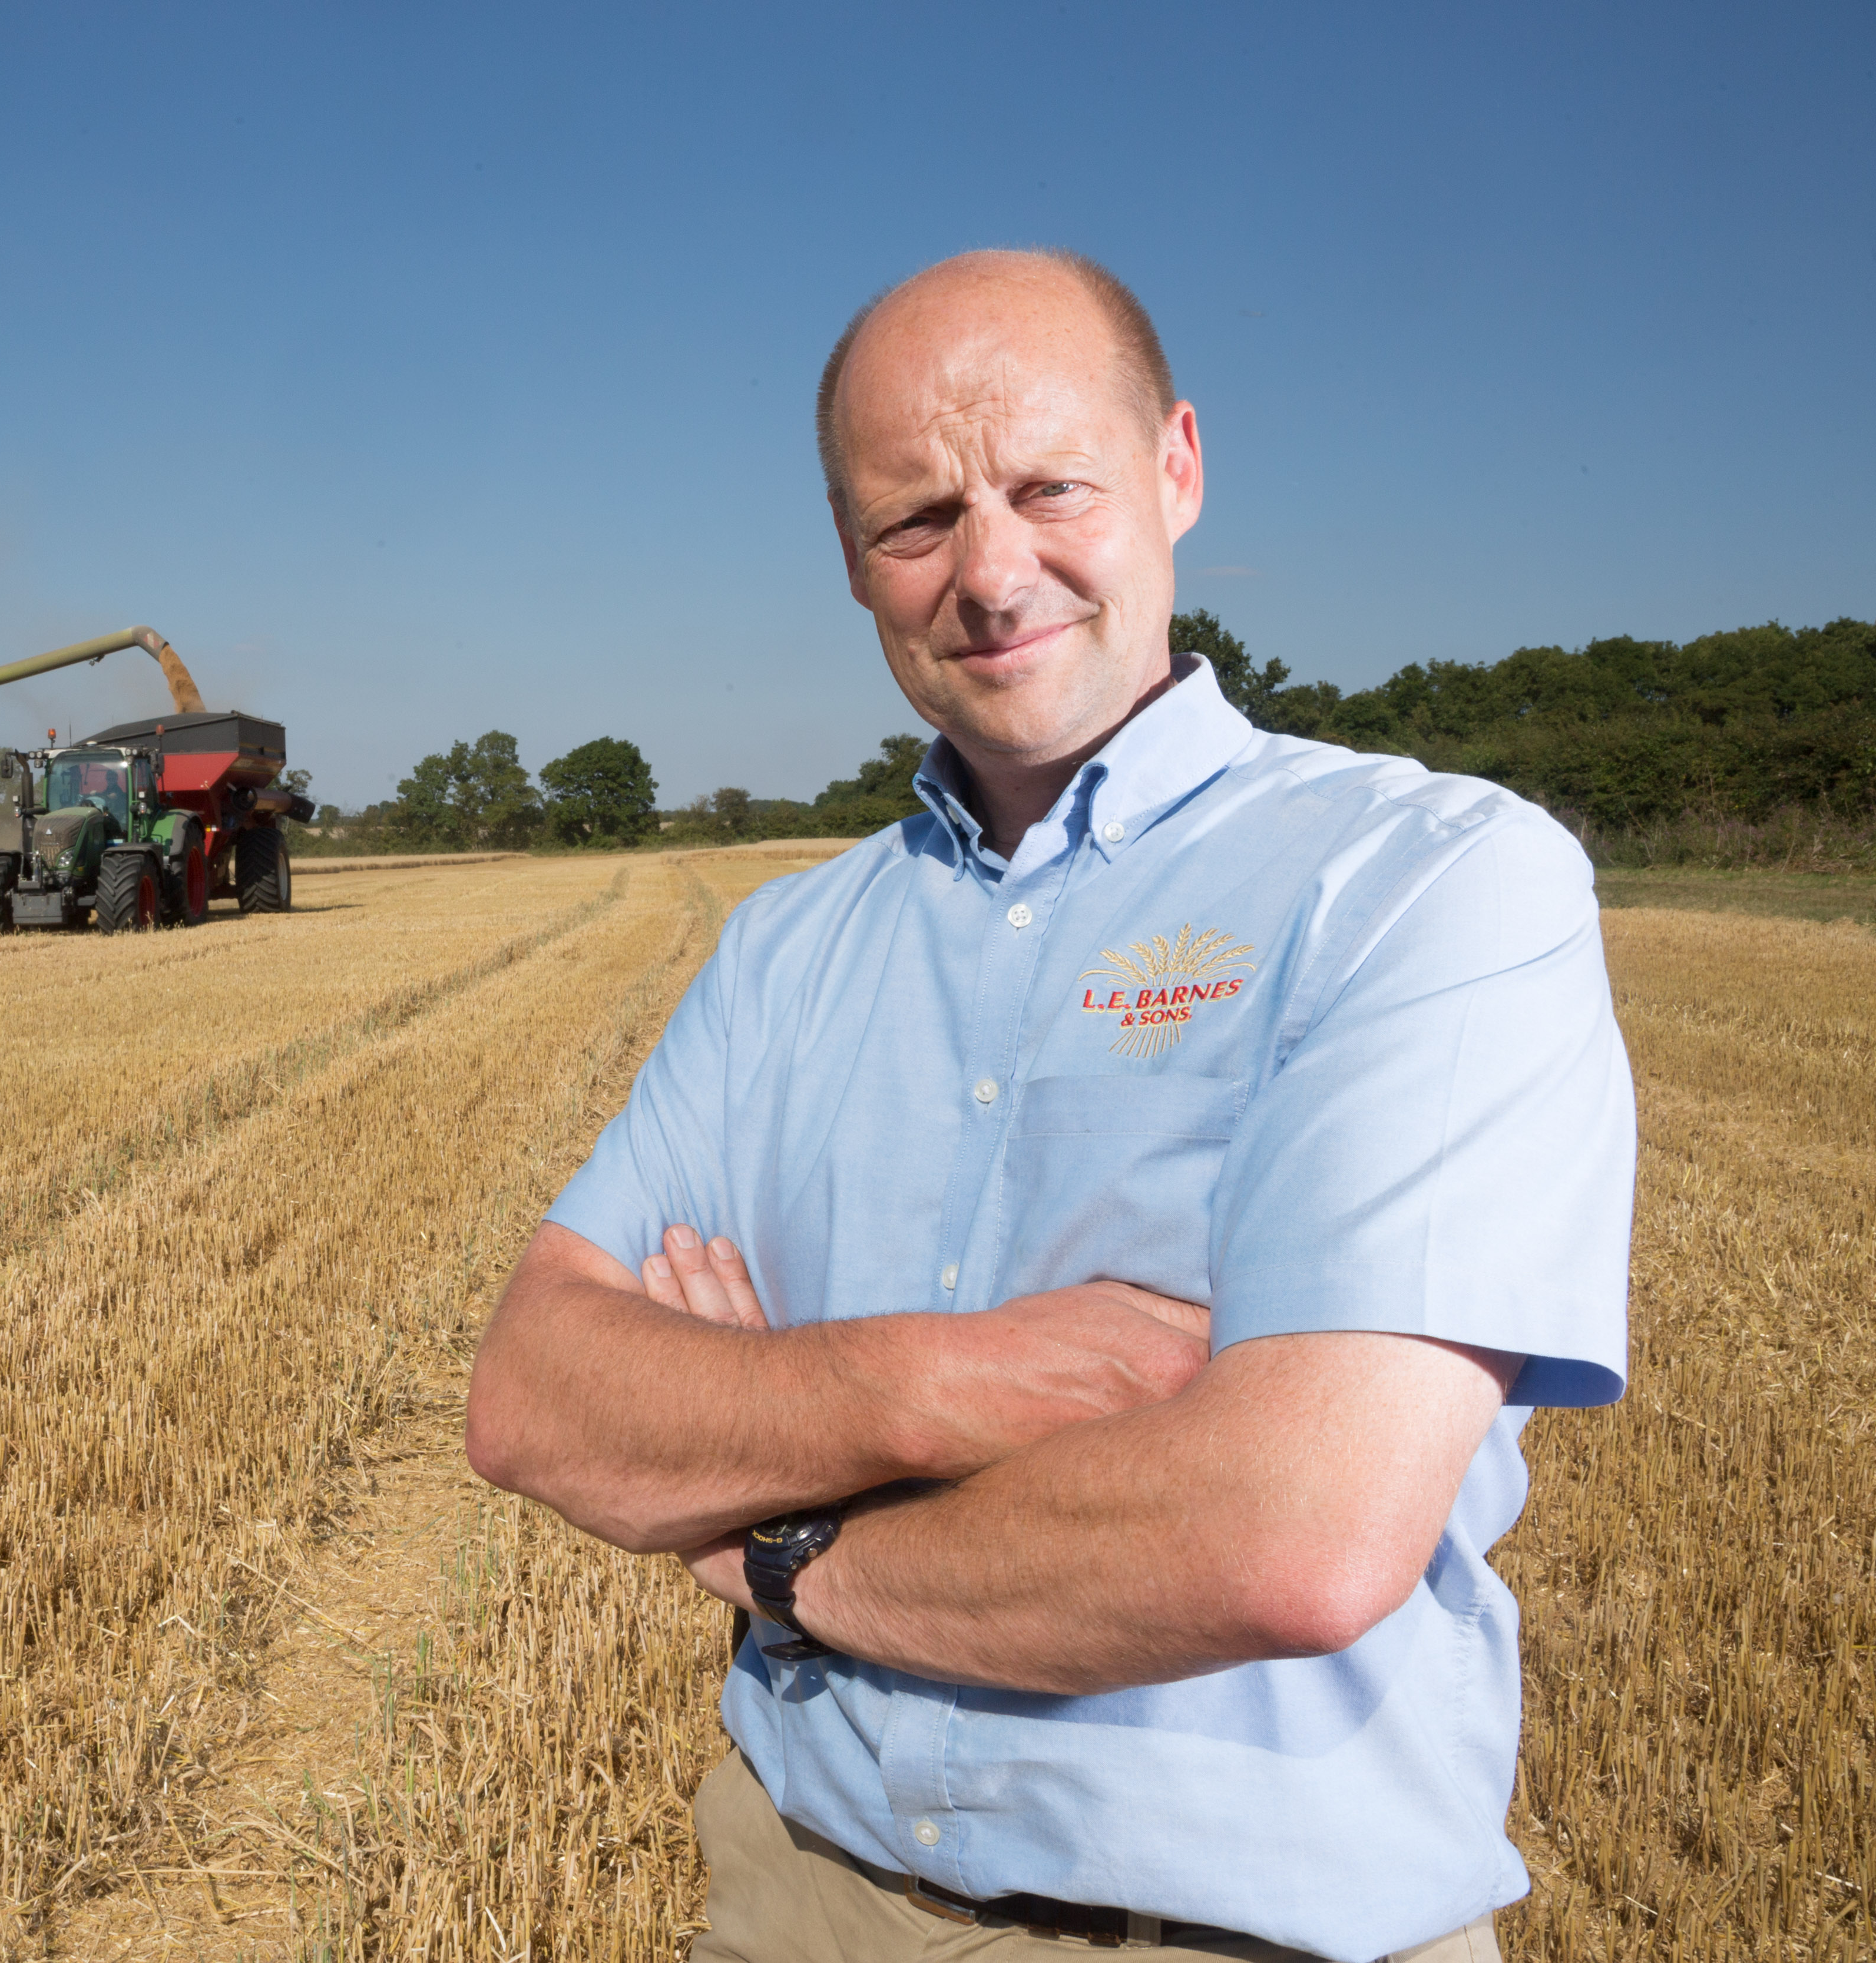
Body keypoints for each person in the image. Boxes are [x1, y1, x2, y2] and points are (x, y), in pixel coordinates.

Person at [462, 250, 1633, 1962]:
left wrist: (767, 1538)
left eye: (1049, 487)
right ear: (852, 562)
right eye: (917, 519)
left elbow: (1287, 1538)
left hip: (1242, 1935)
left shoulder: (1427, 881)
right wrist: (957, 1387)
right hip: (801, 1898)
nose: (993, 575)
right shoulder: (786, 949)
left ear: (1176, 469)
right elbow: (531, 1399)